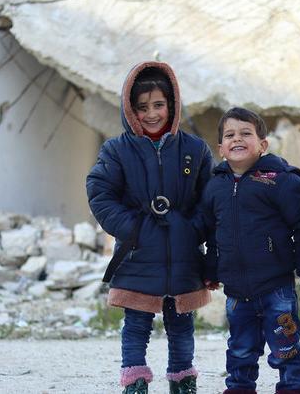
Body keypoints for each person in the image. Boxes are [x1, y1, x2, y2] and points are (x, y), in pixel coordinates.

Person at [86, 61, 214, 394]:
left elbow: (209, 199)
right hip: (138, 253)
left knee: (182, 325)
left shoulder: (195, 150)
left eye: (159, 105)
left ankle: (183, 381)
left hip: (183, 255)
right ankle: (135, 382)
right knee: (136, 324)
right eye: (142, 107)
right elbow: (100, 193)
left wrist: (191, 230)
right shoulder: (116, 150)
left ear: (173, 105)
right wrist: (134, 229)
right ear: (130, 110)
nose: (152, 114)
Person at [195, 107, 300, 394]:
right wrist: (211, 269)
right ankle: (239, 386)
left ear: (263, 144)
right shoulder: (215, 187)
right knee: (240, 348)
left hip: (276, 288)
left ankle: (292, 386)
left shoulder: (280, 180)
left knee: (285, 346)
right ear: (221, 148)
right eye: (230, 135)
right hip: (236, 292)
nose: (237, 139)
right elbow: (212, 234)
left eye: (245, 133)